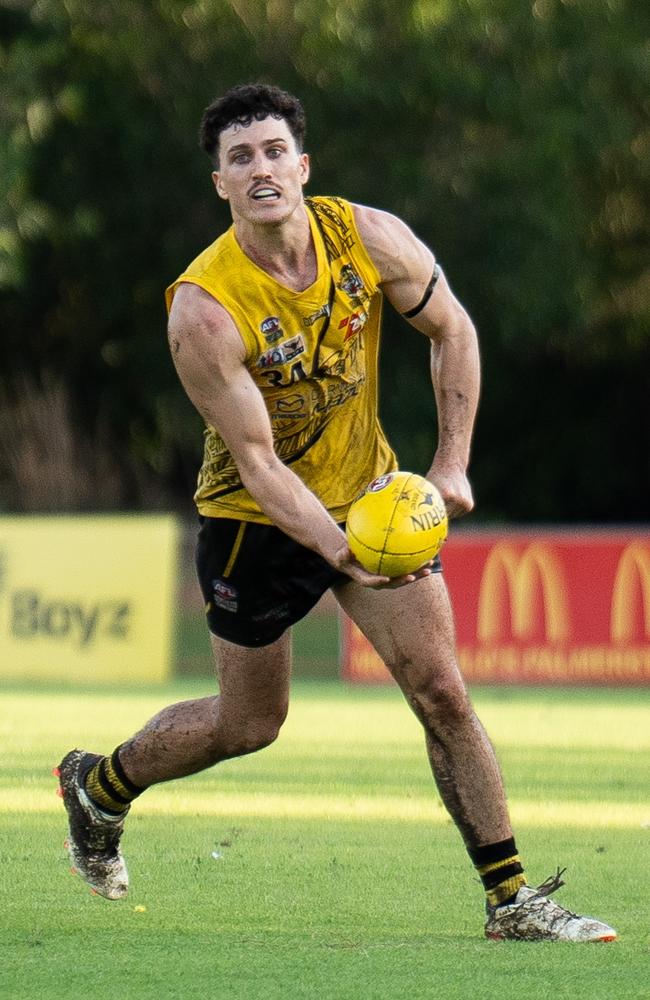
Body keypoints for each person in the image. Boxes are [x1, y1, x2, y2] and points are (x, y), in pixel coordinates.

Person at [56, 83, 616, 942]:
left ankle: (512, 901)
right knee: (251, 724)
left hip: (374, 492)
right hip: (255, 521)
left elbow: (454, 330)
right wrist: (337, 549)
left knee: (442, 692)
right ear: (221, 184)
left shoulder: (366, 235)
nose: (261, 168)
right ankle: (99, 789)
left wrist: (452, 464)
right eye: (240, 158)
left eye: (275, 150)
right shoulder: (203, 309)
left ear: (303, 166)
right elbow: (259, 463)